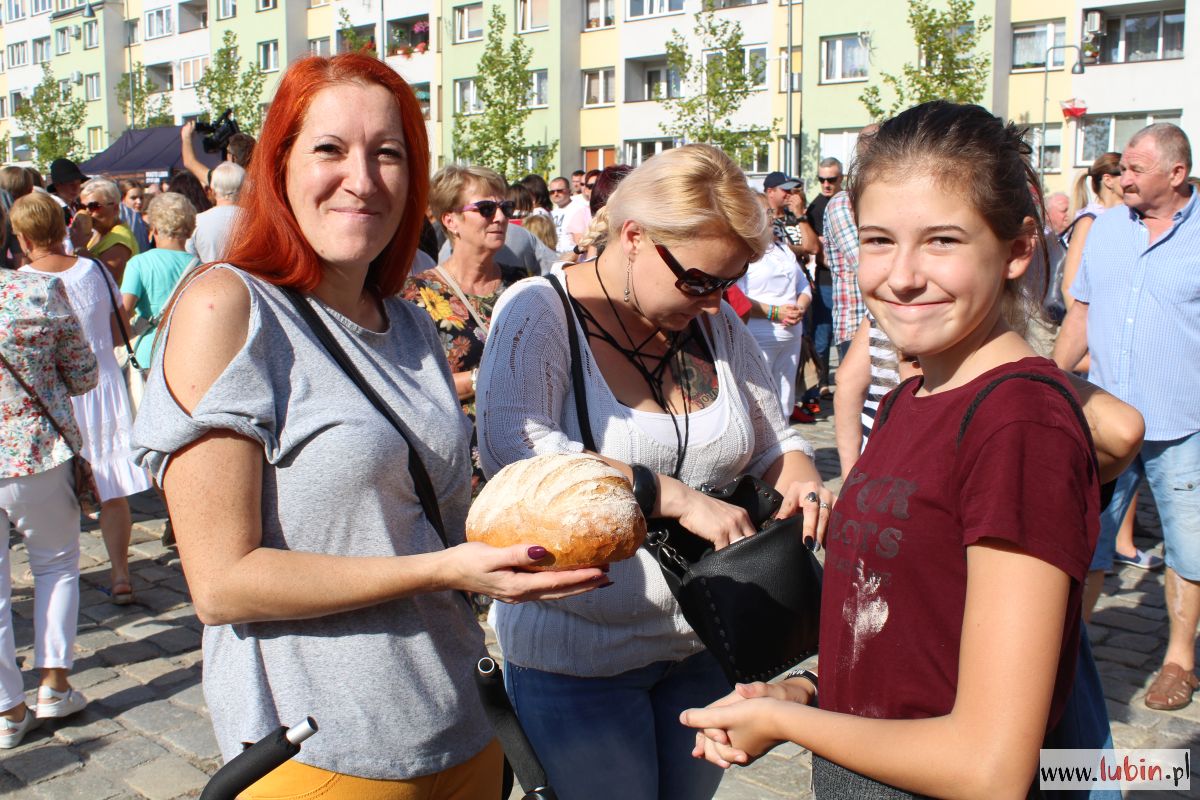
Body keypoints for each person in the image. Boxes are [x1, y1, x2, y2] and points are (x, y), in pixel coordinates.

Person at [130, 53, 605, 798]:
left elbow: (417, 513)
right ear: (279, 166)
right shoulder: (228, 307)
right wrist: (446, 569)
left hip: (464, 722)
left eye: (388, 154)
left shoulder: (410, 324)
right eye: (330, 149)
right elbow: (222, 584)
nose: (362, 179)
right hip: (325, 750)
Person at [683, 101, 1102, 796]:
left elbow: (990, 766)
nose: (902, 275)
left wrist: (792, 725)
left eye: (942, 241)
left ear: (1018, 249)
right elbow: (915, 638)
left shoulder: (1019, 425)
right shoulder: (915, 396)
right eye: (879, 240)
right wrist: (807, 692)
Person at [476, 143, 833, 800]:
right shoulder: (540, 310)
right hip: (578, 657)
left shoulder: (714, 323)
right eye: (699, 281)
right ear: (635, 236)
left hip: (707, 643)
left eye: (728, 283)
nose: (714, 302)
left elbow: (775, 439)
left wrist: (802, 479)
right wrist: (668, 495)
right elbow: (515, 453)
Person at [1054, 123, 1200, 711]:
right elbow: (1080, 316)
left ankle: (1179, 662)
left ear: (1177, 174)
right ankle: (1069, 652)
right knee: (1084, 536)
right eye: (1122, 168)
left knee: (1188, 547)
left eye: (1137, 168)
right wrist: (1046, 381)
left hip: (1182, 422)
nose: (1123, 177)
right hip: (1105, 419)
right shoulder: (1108, 228)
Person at [14, 191, 152, 606]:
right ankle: (121, 573)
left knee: (58, 491)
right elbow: (118, 329)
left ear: (23, 237)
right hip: (101, 387)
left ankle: (61, 573)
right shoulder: (93, 270)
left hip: (54, 397)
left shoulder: (20, 283)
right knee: (111, 489)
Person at [0, 264, 98, 749]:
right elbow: (83, 374)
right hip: (35, 451)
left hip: (32, 451)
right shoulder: (36, 291)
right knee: (56, 565)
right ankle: (54, 685)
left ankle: (7, 710)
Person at [404, 165, 528, 493]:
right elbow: (413, 387)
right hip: (460, 463)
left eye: (505, 207)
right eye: (486, 209)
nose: (500, 217)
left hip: (526, 455)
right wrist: (482, 379)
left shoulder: (523, 282)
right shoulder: (419, 294)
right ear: (451, 220)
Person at [737, 196, 812, 417]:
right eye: (765, 212)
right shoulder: (746, 252)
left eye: (771, 212)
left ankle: (785, 430)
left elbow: (803, 284)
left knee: (785, 394)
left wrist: (800, 307)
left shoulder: (782, 248)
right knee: (760, 395)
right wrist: (774, 312)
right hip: (760, 333)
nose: (771, 217)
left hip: (791, 332)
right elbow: (737, 297)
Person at [123, 193, 198, 368]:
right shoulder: (202, 268)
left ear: (155, 229)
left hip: (149, 354)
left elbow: (124, 310)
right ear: (189, 230)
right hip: (189, 356)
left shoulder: (139, 263)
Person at [77, 178, 139, 285]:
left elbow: (103, 281)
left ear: (115, 208)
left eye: (93, 206)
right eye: (81, 207)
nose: (87, 212)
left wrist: (79, 247)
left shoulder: (120, 241)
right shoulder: (99, 233)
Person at [187, 162, 245, 264]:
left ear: (212, 190)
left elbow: (188, 258)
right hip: (246, 274)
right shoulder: (256, 220)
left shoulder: (197, 221)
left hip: (208, 272)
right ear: (243, 188)